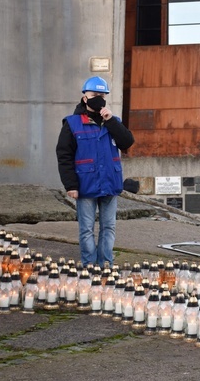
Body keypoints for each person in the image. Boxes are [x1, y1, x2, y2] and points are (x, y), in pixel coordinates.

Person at [56, 76, 135, 267]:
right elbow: (64, 155)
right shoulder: (72, 123)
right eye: (94, 95)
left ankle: (105, 263)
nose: (98, 98)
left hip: (110, 183)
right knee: (86, 229)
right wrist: (71, 185)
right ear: (85, 97)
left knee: (109, 227)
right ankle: (89, 266)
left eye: (102, 95)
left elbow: (127, 142)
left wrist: (111, 122)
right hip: (85, 185)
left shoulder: (112, 121)